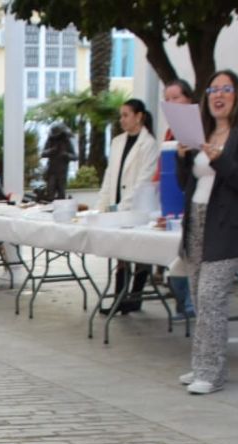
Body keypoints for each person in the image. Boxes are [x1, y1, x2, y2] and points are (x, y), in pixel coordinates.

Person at [177, 71, 238, 396]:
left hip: (228, 227)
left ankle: (211, 373)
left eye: (226, 89)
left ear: (237, 95)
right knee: (200, 296)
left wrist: (220, 158)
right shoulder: (202, 133)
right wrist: (183, 159)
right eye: (213, 89)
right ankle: (204, 364)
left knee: (212, 296)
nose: (218, 95)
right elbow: (185, 184)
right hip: (197, 222)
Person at [100, 98, 161, 313]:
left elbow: (143, 180)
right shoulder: (117, 142)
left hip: (137, 207)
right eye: (121, 116)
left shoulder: (149, 144)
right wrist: (105, 203)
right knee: (121, 253)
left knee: (140, 252)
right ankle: (120, 298)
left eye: (126, 115)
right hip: (117, 205)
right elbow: (110, 175)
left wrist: (125, 205)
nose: (122, 120)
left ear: (139, 116)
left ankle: (135, 297)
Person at [162, 80, 200, 318]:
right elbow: (180, 177)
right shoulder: (171, 133)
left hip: (204, 204)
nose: (172, 103)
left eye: (177, 97)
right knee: (178, 261)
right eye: (168, 99)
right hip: (182, 199)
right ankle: (184, 303)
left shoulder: (201, 127)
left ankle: (189, 303)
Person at [41, 124, 73, 201]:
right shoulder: (50, 140)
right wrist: (51, 150)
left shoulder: (66, 142)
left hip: (62, 172)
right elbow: (43, 154)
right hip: (52, 171)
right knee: (50, 192)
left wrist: (66, 155)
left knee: (61, 194)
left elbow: (74, 156)